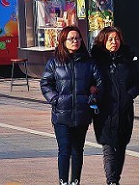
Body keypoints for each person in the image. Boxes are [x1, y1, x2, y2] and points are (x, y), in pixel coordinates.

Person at [40, 24, 103, 185]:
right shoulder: (55, 62)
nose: (75, 41)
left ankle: (75, 181)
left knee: (77, 150)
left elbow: (100, 83)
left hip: (82, 114)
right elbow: (46, 83)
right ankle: (63, 181)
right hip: (61, 114)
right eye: (71, 38)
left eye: (77, 38)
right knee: (64, 149)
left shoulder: (88, 62)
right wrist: (56, 99)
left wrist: (92, 98)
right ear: (63, 41)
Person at [91, 26, 139, 185]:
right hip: (104, 110)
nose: (114, 42)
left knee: (121, 145)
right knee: (108, 146)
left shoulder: (127, 59)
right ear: (103, 41)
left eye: (117, 38)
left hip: (124, 109)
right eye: (110, 39)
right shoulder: (96, 61)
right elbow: (89, 81)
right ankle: (111, 181)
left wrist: (130, 94)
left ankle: (115, 178)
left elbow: (138, 81)